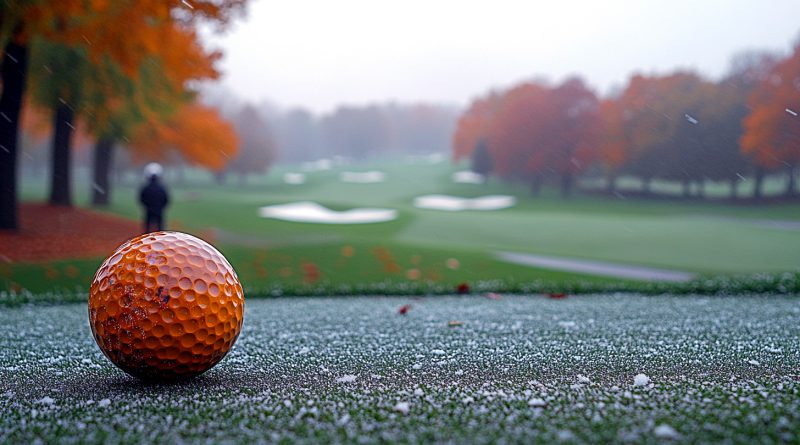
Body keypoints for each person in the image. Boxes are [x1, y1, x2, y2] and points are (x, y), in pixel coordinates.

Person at [139, 163, 170, 233]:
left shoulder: (146, 187)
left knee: (147, 230)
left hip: (148, 210)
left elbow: (142, 199)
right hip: (159, 210)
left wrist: (147, 206)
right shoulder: (162, 188)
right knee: (160, 230)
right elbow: (166, 199)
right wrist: (161, 207)